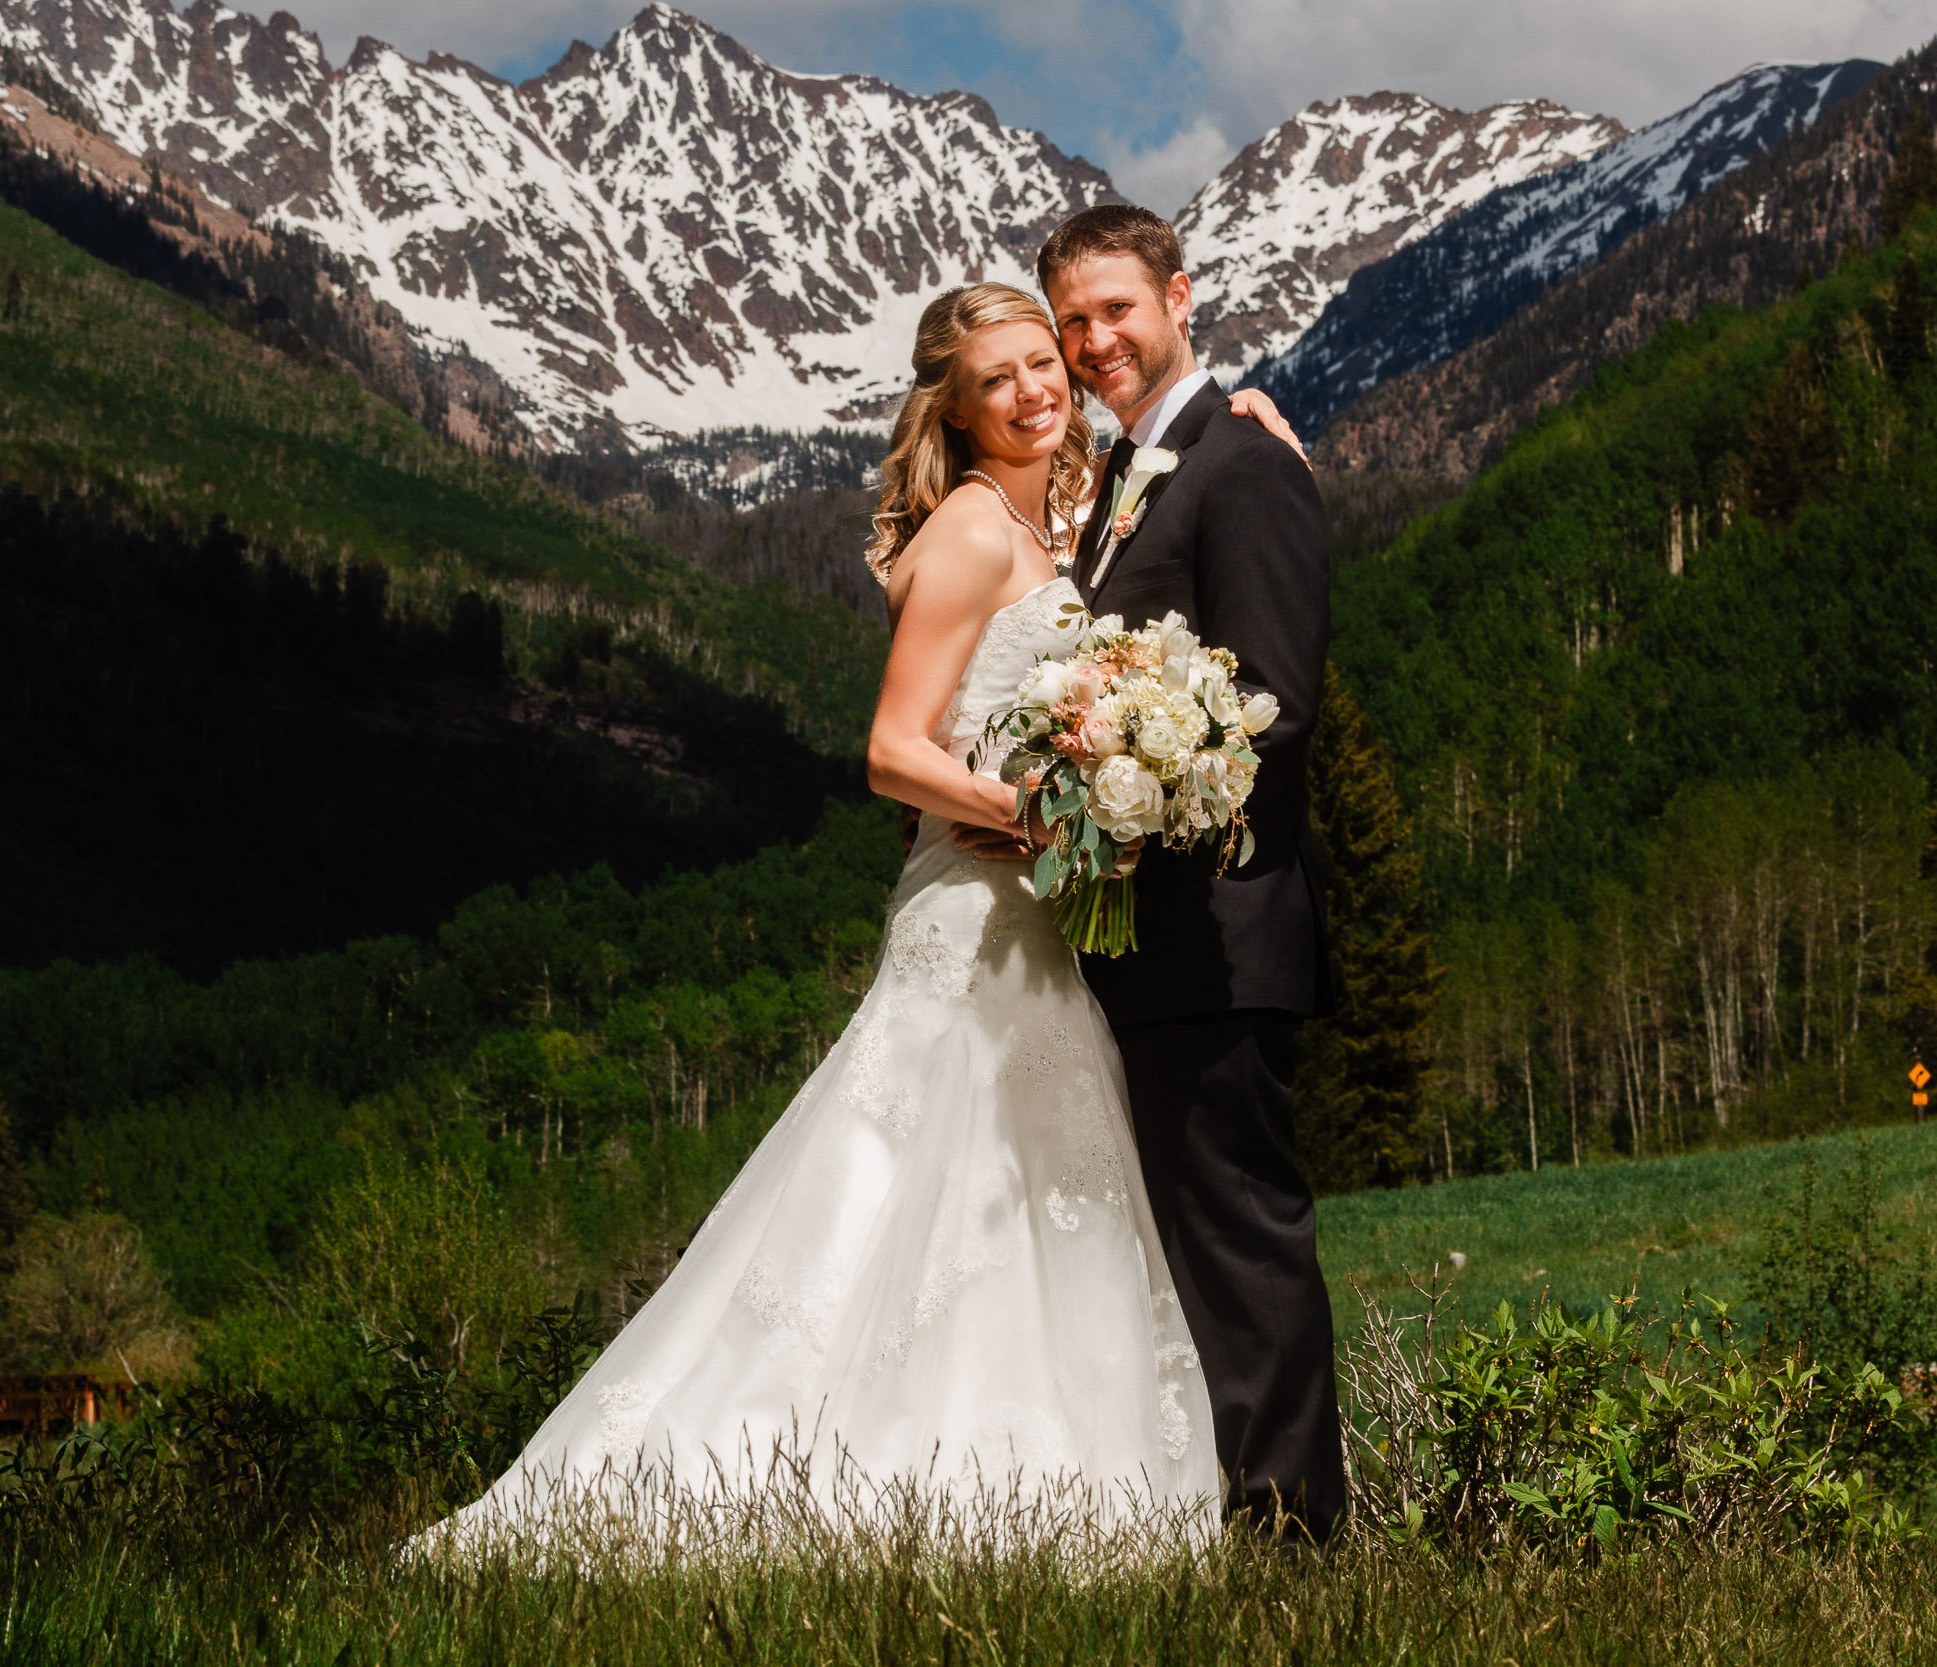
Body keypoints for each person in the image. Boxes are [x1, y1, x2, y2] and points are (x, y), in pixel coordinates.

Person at [415, 280, 1302, 1557]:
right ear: (952, 405)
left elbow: (1162, 449)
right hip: (975, 912)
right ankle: (817, 1472)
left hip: (1047, 927)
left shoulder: (1059, 519)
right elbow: (890, 749)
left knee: (1032, 1194)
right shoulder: (969, 530)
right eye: (995, 380)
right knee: (907, 1180)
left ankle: (1043, 1486)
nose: (1034, 390)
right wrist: (1029, 811)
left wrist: (1251, 417)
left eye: (1041, 363)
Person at [956, 203, 1343, 1539]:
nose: (1094, 339)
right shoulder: (1130, 478)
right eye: (1074, 319)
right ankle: (1224, 1514)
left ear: (1180, 294)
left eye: (1116, 308)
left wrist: (1142, 791)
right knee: (1184, 1249)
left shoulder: (1242, 467)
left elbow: (1274, 710)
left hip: (1223, 930)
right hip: (1143, 944)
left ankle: (1297, 1543)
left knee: (1240, 1241)